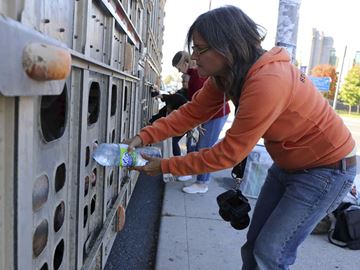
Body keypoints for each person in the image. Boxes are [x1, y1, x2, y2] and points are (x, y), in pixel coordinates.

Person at [125, 6, 356, 269]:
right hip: (288, 165)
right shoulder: (226, 76)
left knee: (269, 253)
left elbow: (228, 153)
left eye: (201, 49)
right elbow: (192, 113)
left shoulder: (268, 81)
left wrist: (165, 166)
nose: (194, 57)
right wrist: (144, 135)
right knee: (254, 245)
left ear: (228, 46)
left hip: (327, 170)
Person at [172, 50, 231, 192]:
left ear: (186, 64)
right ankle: (191, 170)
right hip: (210, 114)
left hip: (216, 114)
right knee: (196, 145)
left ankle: (202, 183)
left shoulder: (196, 78)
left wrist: (197, 123)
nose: (179, 72)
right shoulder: (193, 75)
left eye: (179, 68)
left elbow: (200, 105)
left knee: (204, 148)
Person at [149, 93, 188, 158]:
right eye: (168, 107)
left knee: (174, 141)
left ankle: (177, 158)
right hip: (176, 124)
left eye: (170, 109)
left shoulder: (183, 113)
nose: (168, 109)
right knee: (170, 141)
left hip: (183, 126)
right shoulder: (170, 102)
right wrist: (151, 121)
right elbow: (161, 114)